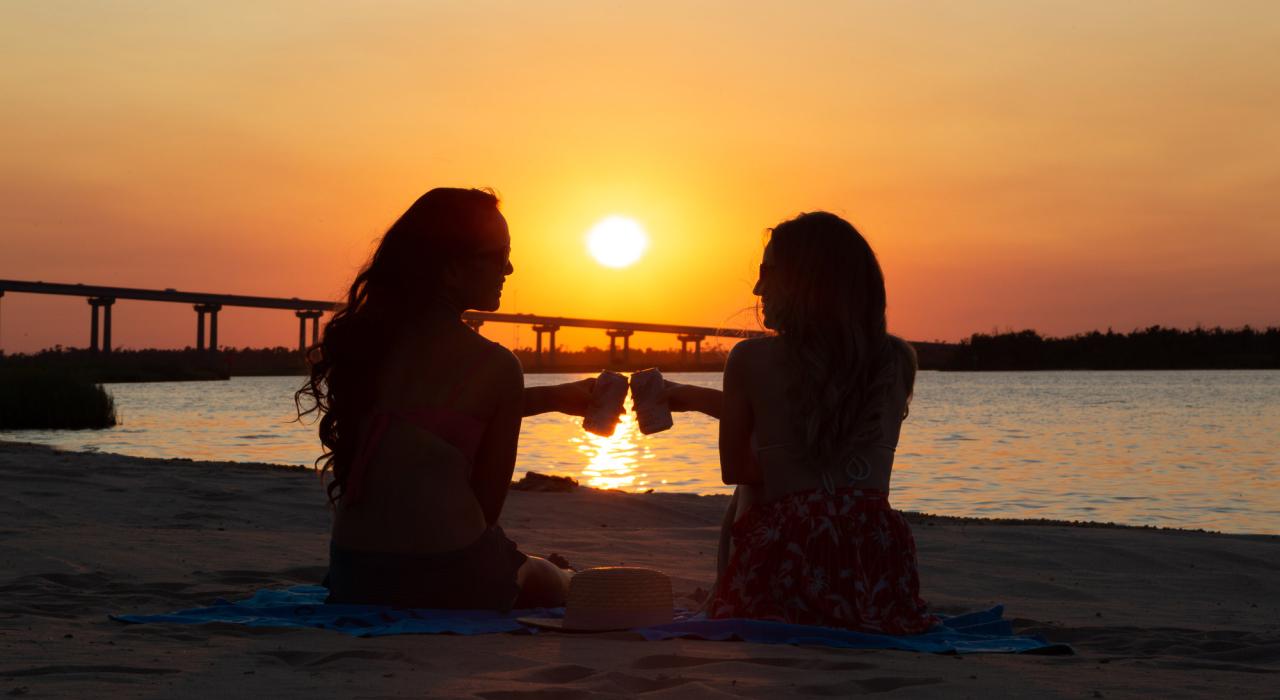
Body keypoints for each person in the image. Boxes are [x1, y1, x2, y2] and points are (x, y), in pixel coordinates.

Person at [296, 188, 603, 611]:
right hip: (450, 577)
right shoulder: (496, 365)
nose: (510, 268)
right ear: (451, 271)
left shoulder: (368, 349)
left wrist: (548, 398)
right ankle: (561, 574)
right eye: (500, 255)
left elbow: (426, 414)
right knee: (543, 575)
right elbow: (486, 513)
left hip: (354, 574)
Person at [665, 211, 937, 634]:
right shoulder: (897, 358)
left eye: (765, 271)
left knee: (750, 488)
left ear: (803, 280)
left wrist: (701, 404)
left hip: (792, 564)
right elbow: (824, 444)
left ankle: (725, 595)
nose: (757, 288)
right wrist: (700, 400)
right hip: (879, 565)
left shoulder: (750, 359)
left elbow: (742, 469)